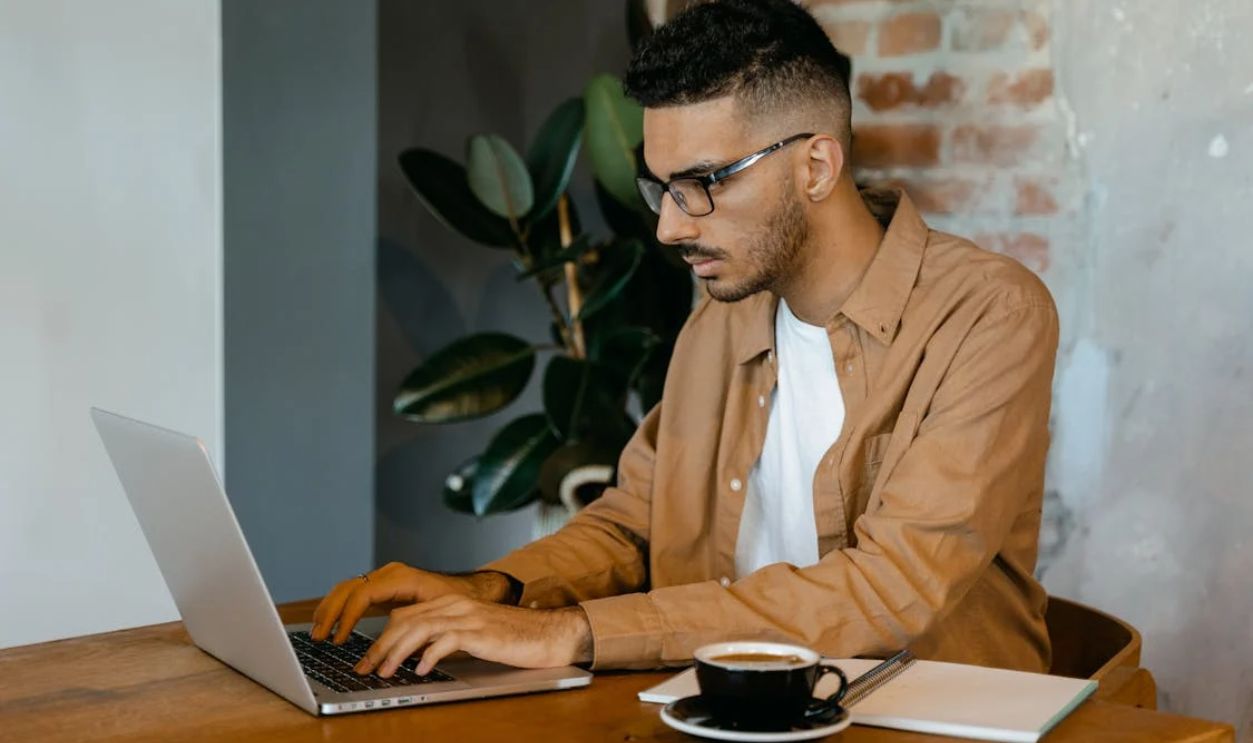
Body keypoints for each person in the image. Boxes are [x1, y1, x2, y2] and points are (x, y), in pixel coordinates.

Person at [311, 0, 1059, 679]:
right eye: (661, 187)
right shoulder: (724, 312)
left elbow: (891, 587)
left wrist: (569, 633)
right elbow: (636, 520)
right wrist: (490, 590)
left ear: (816, 165)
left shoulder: (987, 315)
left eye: (703, 182)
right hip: (719, 705)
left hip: (919, 717)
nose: (671, 225)